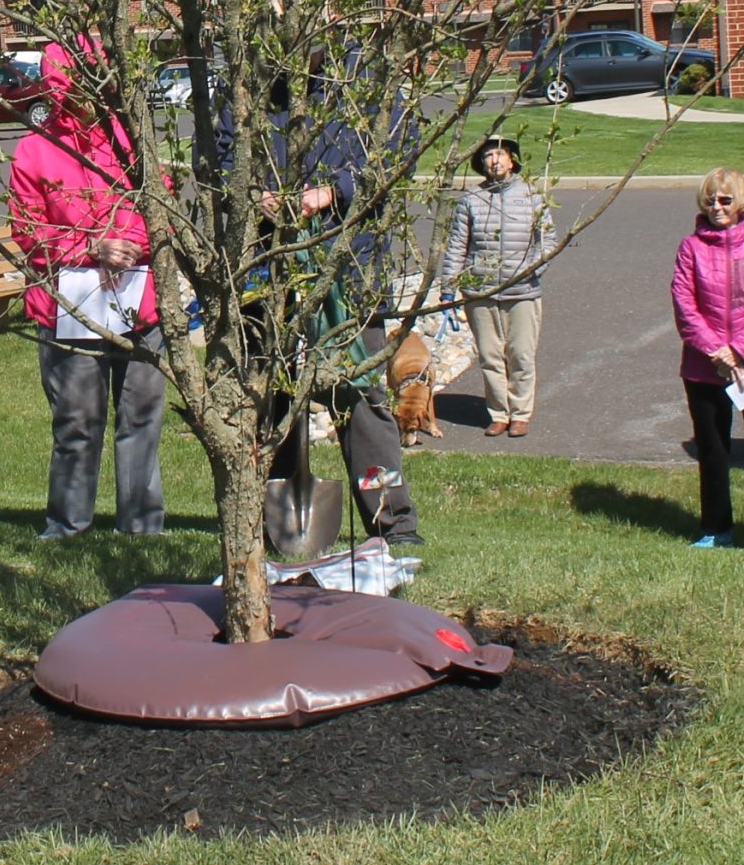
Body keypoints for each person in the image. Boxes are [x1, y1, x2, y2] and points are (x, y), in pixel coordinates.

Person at [218, 58, 425, 544]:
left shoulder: (368, 75)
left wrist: (337, 190)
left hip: (347, 266)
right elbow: (219, 155)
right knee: (269, 397)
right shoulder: (248, 80)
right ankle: (272, 526)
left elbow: (400, 152)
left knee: (361, 400)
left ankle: (393, 524)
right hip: (267, 267)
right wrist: (251, 191)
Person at [8, 40, 166, 539]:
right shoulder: (35, 148)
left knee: (141, 418)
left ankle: (141, 526)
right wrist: (92, 245)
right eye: (84, 80)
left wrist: (129, 246)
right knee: (77, 422)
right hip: (68, 306)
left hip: (140, 301)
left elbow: (160, 209)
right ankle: (67, 525)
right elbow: (27, 230)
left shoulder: (131, 140)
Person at [669, 167, 744, 550]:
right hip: (705, 368)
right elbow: (684, 304)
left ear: (741, 203)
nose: (717, 207)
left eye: (725, 200)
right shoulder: (691, 247)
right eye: (710, 200)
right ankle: (716, 529)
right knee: (713, 451)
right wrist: (715, 350)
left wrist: (738, 350)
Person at [441, 133, 554, 438]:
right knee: (490, 356)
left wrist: (534, 270)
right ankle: (499, 413)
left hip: (523, 291)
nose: (495, 160)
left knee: (521, 354)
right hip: (480, 290)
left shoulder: (532, 195)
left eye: (501, 154)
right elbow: (457, 247)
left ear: (512, 160)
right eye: (489, 156)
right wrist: (448, 287)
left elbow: (548, 242)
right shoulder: (471, 200)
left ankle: (520, 413)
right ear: (482, 163)